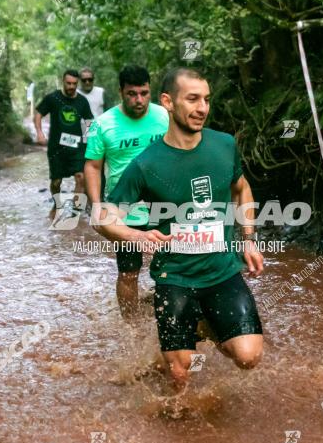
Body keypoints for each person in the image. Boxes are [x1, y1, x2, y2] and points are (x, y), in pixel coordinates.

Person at [92, 67, 264, 390]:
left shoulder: (224, 145)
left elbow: (242, 189)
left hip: (222, 274)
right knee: (179, 378)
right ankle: (189, 337)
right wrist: (137, 235)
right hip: (175, 281)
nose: (202, 108)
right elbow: (102, 217)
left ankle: (205, 326)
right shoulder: (146, 164)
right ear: (168, 102)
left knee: (248, 356)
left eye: (207, 100)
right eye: (193, 99)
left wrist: (249, 239)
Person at [84, 65, 169, 319]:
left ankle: (168, 319)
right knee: (129, 272)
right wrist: (97, 205)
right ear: (121, 91)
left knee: (170, 270)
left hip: (165, 207)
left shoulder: (165, 116)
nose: (139, 100)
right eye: (132, 94)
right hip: (124, 211)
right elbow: (92, 165)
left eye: (144, 93)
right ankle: (132, 327)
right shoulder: (104, 124)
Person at [34, 70, 94, 219]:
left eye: (74, 84)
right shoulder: (53, 98)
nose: (71, 86)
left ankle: (74, 212)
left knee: (81, 177)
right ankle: (57, 204)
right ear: (63, 82)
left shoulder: (82, 101)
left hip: (77, 147)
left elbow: (89, 122)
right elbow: (38, 113)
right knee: (56, 182)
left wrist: (91, 142)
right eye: (69, 83)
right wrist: (39, 132)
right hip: (56, 148)